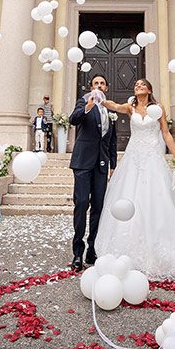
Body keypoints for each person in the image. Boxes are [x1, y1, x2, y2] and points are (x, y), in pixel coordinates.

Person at [95, 79, 175, 280]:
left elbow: (165, 133)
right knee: (130, 197)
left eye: (142, 84)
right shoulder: (130, 107)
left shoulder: (158, 108)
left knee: (156, 198)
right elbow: (114, 105)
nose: (138, 86)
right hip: (133, 158)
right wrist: (99, 97)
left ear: (149, 89)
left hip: (152, 157)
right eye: (136, 85)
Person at [68, 74, 119, 271]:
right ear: (91, 87)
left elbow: (111, 140)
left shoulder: (110, 109)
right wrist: (87, 107)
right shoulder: (83, 101)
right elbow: (73, 120)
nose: (99, 85)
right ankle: (77, 253)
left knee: (98, 207)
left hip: (101, 164)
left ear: (106, 88)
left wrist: (113, 164)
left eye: (102, 83)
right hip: (82, 162)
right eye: (95, 83)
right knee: (81, 204)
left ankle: (92, 249)